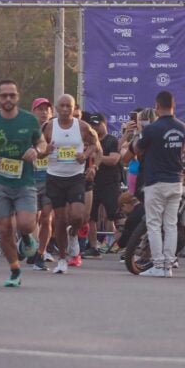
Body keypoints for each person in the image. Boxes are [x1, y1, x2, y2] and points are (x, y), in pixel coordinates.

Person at [0, 79, 45, 287]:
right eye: (4, 95)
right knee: (4, 228)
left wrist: (37, 150)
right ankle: (15, 270)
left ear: (17, 97)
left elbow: (41, 142)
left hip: (24, 181)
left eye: (12, 95)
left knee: (26, 223)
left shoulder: (29, 120)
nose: (8, 99)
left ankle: (26, 238)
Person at [39, 94, 98, 275]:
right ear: (56, 108)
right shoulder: (49, 127)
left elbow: (95, 143)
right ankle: (62, 259)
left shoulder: (82, 126)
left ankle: (73, 234)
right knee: (60, 219)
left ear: (74, 109)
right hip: (55, 177)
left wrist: (85, 156)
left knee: (79, 216)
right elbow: (40, 151)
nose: (65, 109)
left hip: (75, 177)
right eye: (62, 106)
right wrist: (46, 151)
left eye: (69, 106)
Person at [131, 91, 185, 278]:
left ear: (157, 106)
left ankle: (159, 265)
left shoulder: (152, 129)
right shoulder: (182, 128)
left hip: (155, 182)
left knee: (154, 224)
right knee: (170, 224)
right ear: (173, 105)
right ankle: (168, 266)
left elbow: (137, 149)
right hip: (176, 181)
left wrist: (138, 134)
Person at [82, 112, 121, 258]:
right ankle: (93, 247)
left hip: (110, 183)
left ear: (104, 124)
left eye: (97, 124)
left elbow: (114, 159)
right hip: (93, 183)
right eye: (92, 125)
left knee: (115, 215)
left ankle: (122, 244)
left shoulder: (112, 140)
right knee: (91, 217)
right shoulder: (88, 142)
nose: (95, 127)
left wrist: (97, 156)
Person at [29, 97, 54, 270]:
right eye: (40, 109)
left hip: (49, 180)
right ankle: (28, 244)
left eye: (47, 109)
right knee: (29, 221)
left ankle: (40, 254)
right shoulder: (26, 130)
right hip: (29, 180)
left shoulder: (57, 130)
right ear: (33, 111)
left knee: (46, 218)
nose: (44, 112)